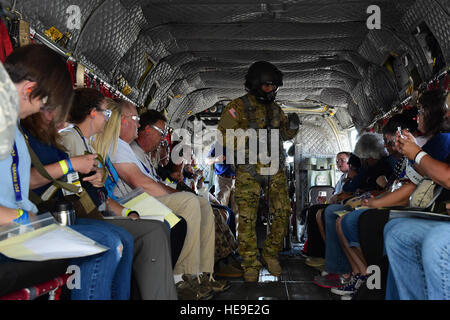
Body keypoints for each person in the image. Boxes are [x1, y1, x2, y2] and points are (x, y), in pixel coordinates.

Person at [0, 44, 128, 300]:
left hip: (19, 230)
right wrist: (25, 219)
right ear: (29, 90)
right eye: (44, 104)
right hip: (10, 236)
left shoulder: (11, 125)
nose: (40, 112)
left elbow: (16, 183)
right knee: (102, 247)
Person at [59, 88, 177, 300]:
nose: (107, 119)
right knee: (132, 236)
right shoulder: (70, 141)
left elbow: (98, 194)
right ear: (93, 113)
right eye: (106, 113)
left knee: (161, 226)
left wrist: (126, 211)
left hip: (99, 208)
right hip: (85, 214)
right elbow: (74, 192)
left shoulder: (85, 143)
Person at [109, 101, 221, 300]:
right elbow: (140, 182)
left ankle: (204, 273)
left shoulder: (129, 149)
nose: (163, 138)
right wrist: (180, 197)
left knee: (201, 203)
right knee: (189, 202)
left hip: (141, 197)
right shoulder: (119, 146)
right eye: (135, 120)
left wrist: (179, 194)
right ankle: (181, 277)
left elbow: (153, 182)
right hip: (129, 202)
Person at [217, 61, 299, 281]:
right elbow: (224, 132)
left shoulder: (276, 109)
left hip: (275, 168)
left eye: (274, 86)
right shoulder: (237, 106)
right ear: (255, 85)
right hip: (249, 167)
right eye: (267, 86)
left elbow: (286, 135)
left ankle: (270, 254)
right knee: (247, 217)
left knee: (283, 212)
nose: (271, 90)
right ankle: (250, 262)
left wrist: (292, 127)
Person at [383, 89, 450, 300]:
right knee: (397, 232)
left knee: (437, 242)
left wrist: (417, 154)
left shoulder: (443, 140)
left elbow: (441, 176)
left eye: (421, 111)